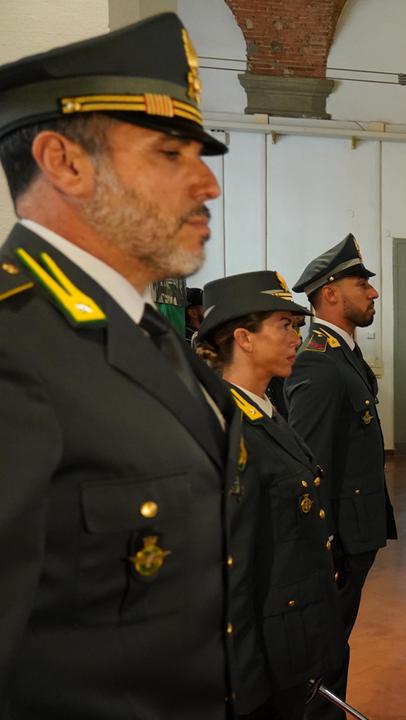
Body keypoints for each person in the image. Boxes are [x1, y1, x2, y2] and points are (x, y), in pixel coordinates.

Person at [0, 14, 241, 718]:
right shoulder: (16, 348)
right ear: (64, 162)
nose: (208, 184)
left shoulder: (141, 330)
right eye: (170, 154)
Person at [195, 271, 344, 719]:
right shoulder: (225, 428)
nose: (297, 336)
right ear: (244, 338)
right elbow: (229, 568)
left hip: (291, 635)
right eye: (284, 325)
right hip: (262, 655)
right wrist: (244, 679)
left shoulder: (264, 411)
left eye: (296, 326)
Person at [285, 233, 396, 719]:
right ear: (329, 293)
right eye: (362, 284)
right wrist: (322, 546)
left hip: (355, 529)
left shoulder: (343, 353)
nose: (373, 293)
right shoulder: (319, 363)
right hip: (339, 538)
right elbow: (312, 465)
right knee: (325, 650)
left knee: (335, 641)